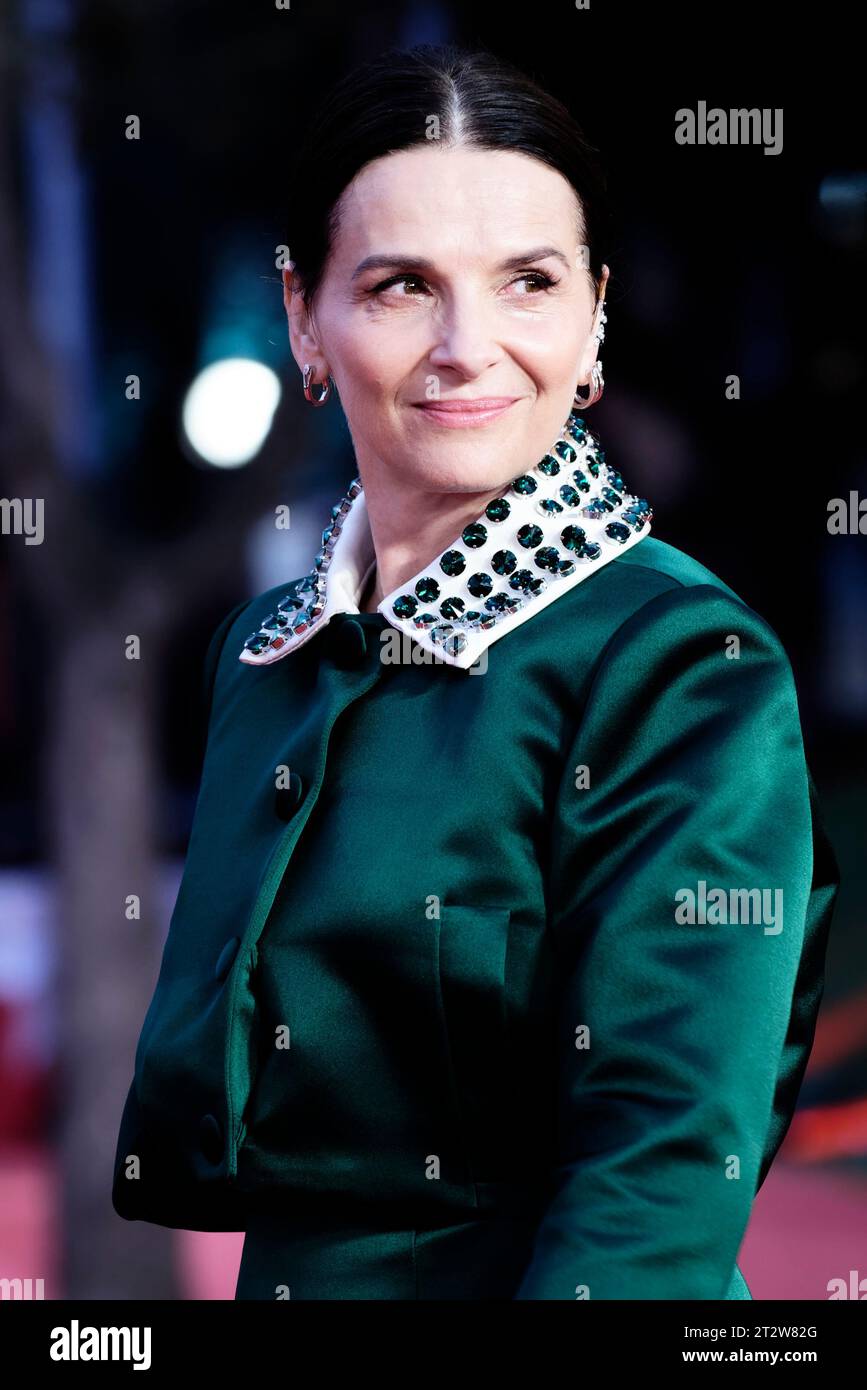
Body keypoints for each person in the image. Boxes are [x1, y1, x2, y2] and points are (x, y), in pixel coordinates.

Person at [111, 43, 839, 1301]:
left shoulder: (679, 664)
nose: (470, 346)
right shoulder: (268, 651)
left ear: (594, 313)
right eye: (401, 286)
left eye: (530, 282)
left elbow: (662, 1177)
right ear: (303, 317)